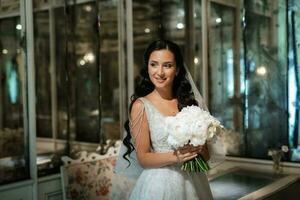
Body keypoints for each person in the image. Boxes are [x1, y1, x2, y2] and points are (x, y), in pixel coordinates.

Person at [114, 39, 214, 200]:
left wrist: (199, 148)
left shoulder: (189, 105)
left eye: (167, 65)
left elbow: (207, 156)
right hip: (159, 185)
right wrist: (176, 157)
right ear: (147, 67)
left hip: (194, 182)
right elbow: (143, 158)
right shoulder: (141, 106)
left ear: (177, 69)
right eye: (154, 64)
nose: (159, 72)